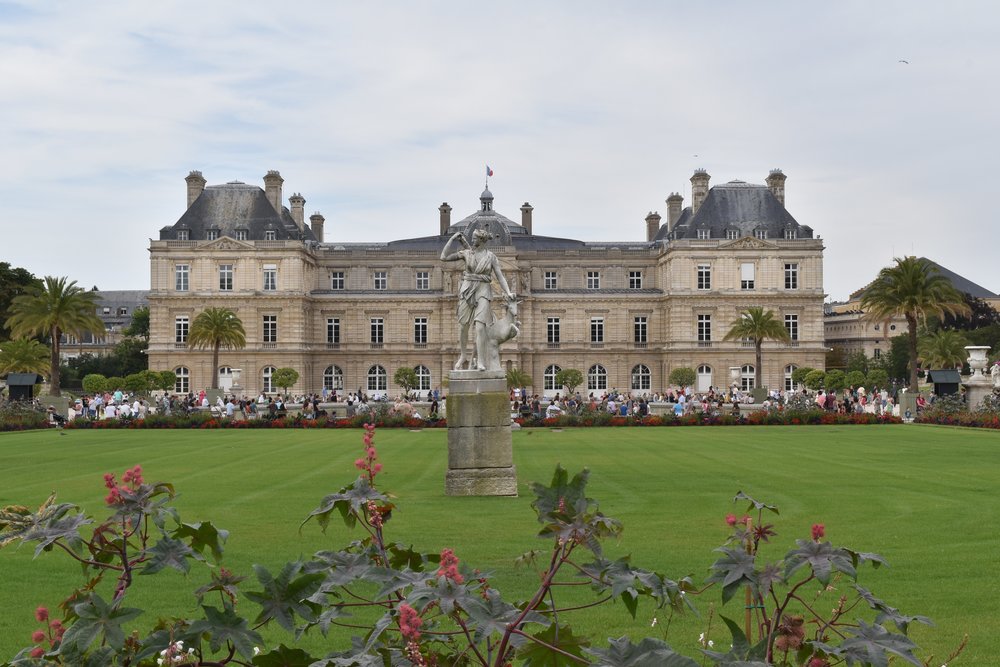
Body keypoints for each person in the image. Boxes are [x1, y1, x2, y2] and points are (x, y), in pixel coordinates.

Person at [440, 228, 516, 371]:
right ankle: (463, 355)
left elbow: (499, 276)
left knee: (480, 328)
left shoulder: (491, 257)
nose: (472, 240)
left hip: (483, 290)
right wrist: (451, 239)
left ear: (481, 240)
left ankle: (480, 361)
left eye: (474, 238)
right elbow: (443, 257)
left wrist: (508, 292)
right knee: (463, 326)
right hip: (467, 290)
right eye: (472, 238)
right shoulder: (467, 253)